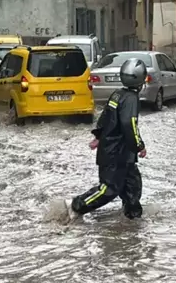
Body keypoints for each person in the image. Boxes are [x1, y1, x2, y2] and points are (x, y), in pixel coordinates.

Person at [61, 58, 149, 224]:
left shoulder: (118, 94)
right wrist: (139, 146)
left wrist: (98, 136)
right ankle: (75, 206)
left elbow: (105, 117)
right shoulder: (130, 99)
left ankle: (132, 218)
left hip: (121, 153)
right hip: (116, 153)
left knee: (133, 185)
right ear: (139, 79)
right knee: (109, 189)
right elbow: (129, 125)